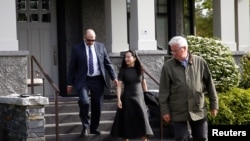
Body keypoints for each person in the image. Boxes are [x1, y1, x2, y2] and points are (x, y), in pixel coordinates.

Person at [159, 36, 219, 141]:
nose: (173, 53)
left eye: (175, 50)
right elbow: (164, 91)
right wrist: (165, 111)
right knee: (181, 138)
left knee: (202, 137)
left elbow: (210, 84)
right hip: (178, 110)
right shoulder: (168, 66)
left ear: (185, 48)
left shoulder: (200, 62)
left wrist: (214, 104)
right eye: (172, 51)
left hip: (198, 108)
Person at [67, 28, 118, 136]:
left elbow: (107, 63)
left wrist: (114, 77)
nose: (90, 42)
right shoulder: (77, 49)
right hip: (83, 80)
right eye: (88, 40)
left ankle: (93, 128)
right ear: (84, 38)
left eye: (92, 40)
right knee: (85, 102)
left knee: (97, 105)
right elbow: (72, 67)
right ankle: (85, 126)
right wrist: (70, 83)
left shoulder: (101, 47)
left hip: (97, 79)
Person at [110, 50, 154, 141]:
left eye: (129, 57)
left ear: (134, 58)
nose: (127, 59)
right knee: (126, 123)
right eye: (125, 57)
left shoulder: (140, 69)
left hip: (139, 99)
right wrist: (119, 99)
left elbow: (144, 83)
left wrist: (146, 95)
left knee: (143, 123)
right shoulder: (123, 70)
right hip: (127, 99)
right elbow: (119, 86)